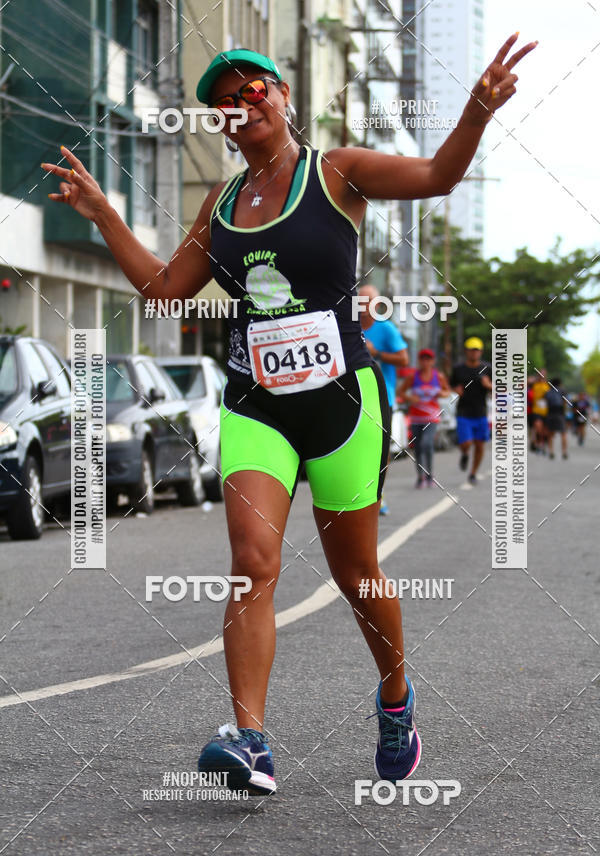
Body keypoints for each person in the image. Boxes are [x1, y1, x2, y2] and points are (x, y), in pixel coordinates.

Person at [42, 35, 536, 795]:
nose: (241, 107)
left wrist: (475, 110)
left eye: (253, 90)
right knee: (253, 563)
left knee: (358, 573)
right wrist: (106, 213)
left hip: (342, 404)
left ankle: (397, 697)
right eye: (224, 104)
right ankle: (251, 742)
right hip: (257, 406)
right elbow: (168, 292)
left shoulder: (337, 172)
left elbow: (439, 175)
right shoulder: (223, 202)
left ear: (282, 96)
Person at [359, 285, 409, 514]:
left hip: (381, 397)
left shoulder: (385, 328)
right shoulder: (348, 327)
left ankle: (378, 493)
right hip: (351, 396)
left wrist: (376, 353)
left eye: (366, 302)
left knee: (379, 447)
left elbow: (403, 359)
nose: (361, 306)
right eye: (358, 301)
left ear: (377, 305)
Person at [400, 348, 450, 487]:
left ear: (432, 361)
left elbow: (447, 392)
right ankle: (420, 476)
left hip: (432, 417)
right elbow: (400, 392)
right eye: (423, 359)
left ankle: (430, 474)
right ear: (419, 361)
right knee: (417, 448)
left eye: (428, 359)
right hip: (416, 418)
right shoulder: (413, 377)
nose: (425, 362)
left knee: (426, 444)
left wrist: (441, 393)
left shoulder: (438, 376)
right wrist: (410, 398)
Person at [450, 336, 492, 485]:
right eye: (471, 350)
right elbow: (451, 385)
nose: (474, 353)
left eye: (476, 350)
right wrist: (456, 389)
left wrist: (489, 385)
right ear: (466, 352)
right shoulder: (458, 369)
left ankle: (473, 473)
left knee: (480, 445)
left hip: (480, 412)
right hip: (463, 411)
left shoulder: (488, 368)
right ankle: (465, 453)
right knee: (466, 442)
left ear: (480, 352)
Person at [545, 377, 568, 459]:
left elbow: (546, 403)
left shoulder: (548, 392)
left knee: (550, 434)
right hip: (560, 413)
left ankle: (551, 451)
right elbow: (565, 403)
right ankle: (564, 452)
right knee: (563, 433)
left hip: (550, 413)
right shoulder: (562, 391)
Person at [530, 369, 550, 453]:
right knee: (538, 427)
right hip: (536, 410)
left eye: (543, 374)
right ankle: (537, 444)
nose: (542, 375)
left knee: (544, 431)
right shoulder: (534, 385)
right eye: (540, 373)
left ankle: (542, 444)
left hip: (546, 411)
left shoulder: (548, 386)